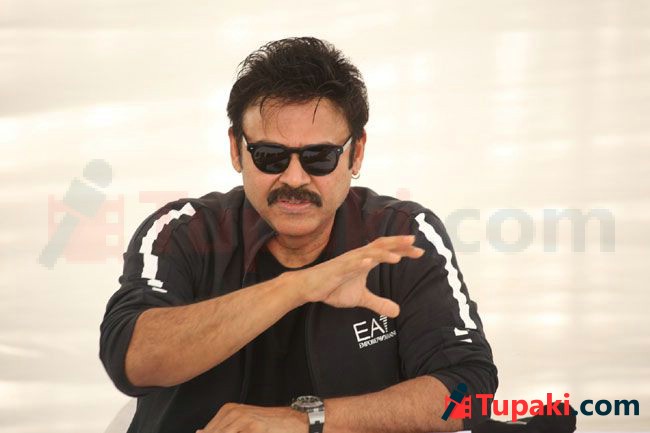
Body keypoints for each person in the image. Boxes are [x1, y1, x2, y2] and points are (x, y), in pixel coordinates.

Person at [99, 36, 497, 433]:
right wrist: (296, 287)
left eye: (319, 157)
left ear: (356, 153)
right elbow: (131, 361)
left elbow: (470, 392)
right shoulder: (181, 232)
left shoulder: (403, 236)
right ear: (236, 150)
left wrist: (308, 421)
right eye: (270, 156)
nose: (294, 178)